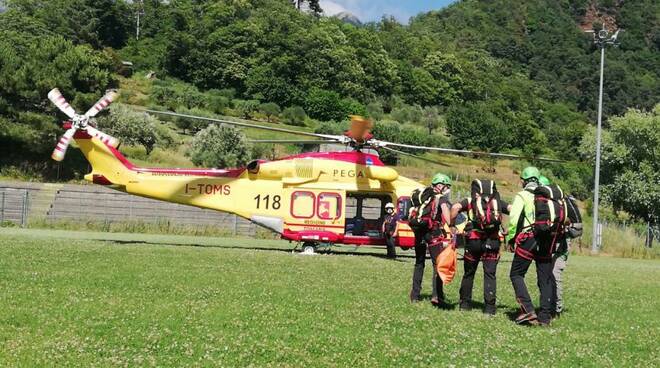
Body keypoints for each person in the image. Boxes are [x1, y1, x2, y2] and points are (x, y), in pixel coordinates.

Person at [450, 181, 510, 316]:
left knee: (469, 273)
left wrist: (452, 225)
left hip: (474, 241)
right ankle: (489, 308)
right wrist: (509, 229)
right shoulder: (498, 202)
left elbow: (455, 207)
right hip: (493, 241)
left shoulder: (470, 201)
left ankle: (465, 304)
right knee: (490, 274)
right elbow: (513, 209)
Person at [506, 166, 554, 326]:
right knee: (545, 279)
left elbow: (514, 219)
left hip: (529, 239)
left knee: (516, 274)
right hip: (546, 240)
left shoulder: (523, 195)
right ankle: (546, 317)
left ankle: (528, 309)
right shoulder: (548, 196)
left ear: (524, 181)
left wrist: (511, 238)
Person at [410, 173, 453, 306]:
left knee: (419, 263)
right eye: (446, 186)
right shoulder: (441, 199)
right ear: (441, 185)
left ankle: (415, 295)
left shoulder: (424, 198)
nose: (447, 189)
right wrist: (450, 225)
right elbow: (447, 216)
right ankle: (436, 296)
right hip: (433, 234)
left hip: (419, 233)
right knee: (437, 265)